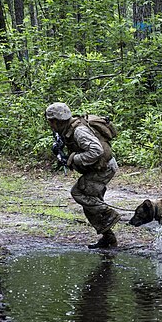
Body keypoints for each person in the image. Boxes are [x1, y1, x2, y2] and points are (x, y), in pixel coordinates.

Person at [46, 102, 121, 248]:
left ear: (56, 121)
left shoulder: (79, 131)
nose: (50, 125)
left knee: (79, 192)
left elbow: (96, 151)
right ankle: (108, 239)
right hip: (97, 168)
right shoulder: (66, 129)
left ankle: (108, 213)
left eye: (50, 122)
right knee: (89, 204)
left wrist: (74, 159)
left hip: (104, 168)